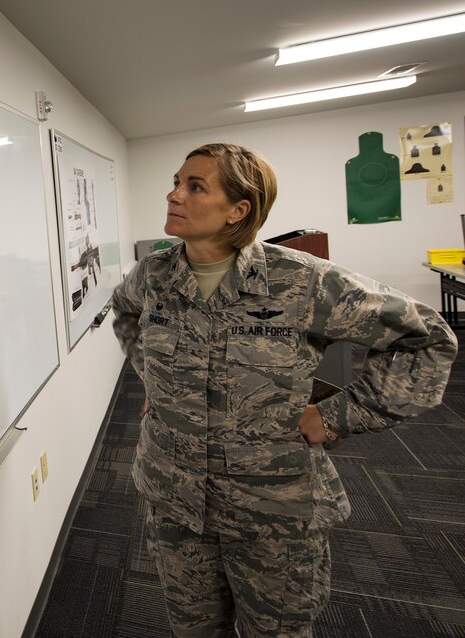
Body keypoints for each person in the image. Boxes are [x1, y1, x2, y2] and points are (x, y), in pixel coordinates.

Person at [110, 143, 457, 637]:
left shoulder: (302, 281)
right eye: (176, 182)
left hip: (271, 509)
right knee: (191, 628)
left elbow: (428, 338)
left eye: (194, 186)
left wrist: (336, 416)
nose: (173, 194)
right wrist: (154, 379)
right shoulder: (155, 275)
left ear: (238, 210)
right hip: (174, 497)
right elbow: (124, 313)